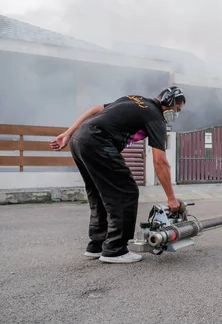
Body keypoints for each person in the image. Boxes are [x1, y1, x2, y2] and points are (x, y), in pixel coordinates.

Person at [50, 86, 186, 263]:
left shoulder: (135, 99)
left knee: (98, 192)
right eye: (177, 109)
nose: (176, 114)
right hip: (98, 141)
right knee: (126, 191)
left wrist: (69, 134)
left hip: (79, 138)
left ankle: (97, 245)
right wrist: (171, 199)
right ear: (168, 101)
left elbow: (95, 110)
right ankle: (115, 249)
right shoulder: (155, 116)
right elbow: (160, 161)